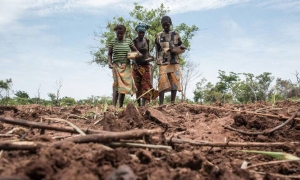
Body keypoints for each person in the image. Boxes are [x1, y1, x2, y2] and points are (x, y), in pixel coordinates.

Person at [155, 16, 186, 105]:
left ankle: (172, 103)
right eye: (163, 24)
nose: (165, 26)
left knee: (174, 81)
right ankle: (161, 104)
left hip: (174, 61)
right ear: (162, 25)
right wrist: (157, 58)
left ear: (170, 24)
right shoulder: (159, 35)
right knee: (162, 82)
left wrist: (181, 47)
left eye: (167, 24)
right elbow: (157, 48)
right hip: (163, 62)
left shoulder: (175, 34)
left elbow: (182, 44)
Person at [108, 24, 140, 108]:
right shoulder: (112, 42)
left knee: (123, 87)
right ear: (116, 33)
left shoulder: (128, 41)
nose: (119, 35)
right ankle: (113, 106)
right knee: (116, 85)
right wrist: (109, 62)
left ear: (124, 33)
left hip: (126, 66)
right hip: (116, 66)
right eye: (118, 33)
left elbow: (135, 51)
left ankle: (121, 106)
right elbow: (109, 54)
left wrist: (136, 59)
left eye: (121, 34)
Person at [132, 23, 159, 106]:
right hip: (137, 66)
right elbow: (132, 54)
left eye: (143, 33)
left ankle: (145, 105)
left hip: (146, 65)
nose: (141, 34)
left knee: (146, 85)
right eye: (140, 32)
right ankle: (139, 105)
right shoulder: (134, 41)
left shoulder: (147, 40)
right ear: (137, 32)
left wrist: (152, 57)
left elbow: (148, 53)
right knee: (138, 86)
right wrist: (134, 63)